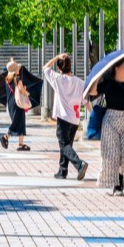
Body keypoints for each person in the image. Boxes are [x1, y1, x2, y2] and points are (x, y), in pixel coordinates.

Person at [92, 52, 124, 195]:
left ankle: (119, 173)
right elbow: (94, 92)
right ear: (116, 68)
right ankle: (117, 185)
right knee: (112, 155)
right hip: (110, 121)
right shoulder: (107, 83)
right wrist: (97, 78)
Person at [44, 53, 89, 181]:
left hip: (63, 117)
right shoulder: (80, 82)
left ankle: (79, 164)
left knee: (64, 144)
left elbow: (45, 68)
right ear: (70, 66)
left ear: (59, 68)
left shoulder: (57, 79)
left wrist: (57, 57)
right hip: (75, 119)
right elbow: (86, 101)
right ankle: (62, 170)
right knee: (67, 145)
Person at [0, 58, 39, 151]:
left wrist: (12, 62)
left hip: (12, 103)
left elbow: (17, 67)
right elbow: (21, 90)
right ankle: (5, 137)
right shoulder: (18, 78)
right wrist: (26, 92)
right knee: (17, 122)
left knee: (20, 122)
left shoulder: (7, 79)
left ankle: (21, 144)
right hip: (18, 103)